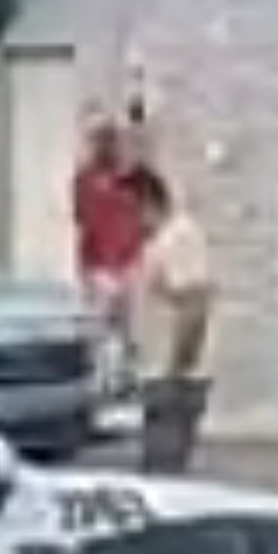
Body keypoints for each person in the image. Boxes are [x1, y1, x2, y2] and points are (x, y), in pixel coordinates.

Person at [73, 117, 163, 400]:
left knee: (128, 325)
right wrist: (87, 270)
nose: (103, 146)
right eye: (98, 140)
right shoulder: (85, 179)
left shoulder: (133, 178)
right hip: (100, 263)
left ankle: (126, 378)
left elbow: (154, 208)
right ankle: (107, 380)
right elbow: (82, 219)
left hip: (129, 259)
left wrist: (146, 231)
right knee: (104, 325)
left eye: (108, 140)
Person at [131, 179, 216, 476]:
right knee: (156, 460)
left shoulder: (179, 238)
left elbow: (194, 302)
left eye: (134, 210)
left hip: (172, 372)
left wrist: (178, 365)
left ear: (150, 204)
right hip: (158, 368)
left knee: (164, 467)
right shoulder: (158, 242)